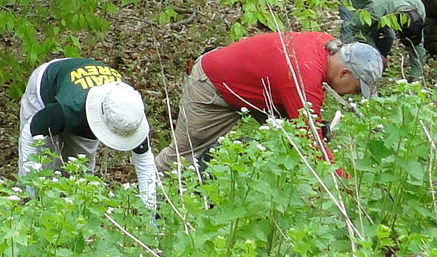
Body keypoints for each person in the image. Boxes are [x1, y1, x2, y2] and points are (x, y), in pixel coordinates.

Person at [159, 32, 383, 175]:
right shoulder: (303, 74)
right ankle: (148, 199)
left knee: (285, 140)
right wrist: (343, 180)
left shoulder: (324, 45)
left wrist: (313, 126)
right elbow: (310, 141)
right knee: (182, 157)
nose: (352, 95)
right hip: (213, 87)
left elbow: (302, 124)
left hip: (256, 90)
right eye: (355, 88)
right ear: (344, 73)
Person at [16, 58, 157, 210]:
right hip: (47, 84)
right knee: (43, 165)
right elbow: (30, 134)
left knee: (79, 174)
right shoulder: (70, 107)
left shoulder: (130, 111)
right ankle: (27, 214)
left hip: (79, 87)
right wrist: (32, 188)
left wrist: (150, 214)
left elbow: (144, 162)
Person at [331, 0, 429, 80]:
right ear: (398, 26)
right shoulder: (378, 6)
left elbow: (417, 46)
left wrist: (416, 77)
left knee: (388, 36)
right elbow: (354, 28)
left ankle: (375, 67)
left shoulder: (419, 10)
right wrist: (375, 55)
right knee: (352, 27)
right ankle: (350, 68)